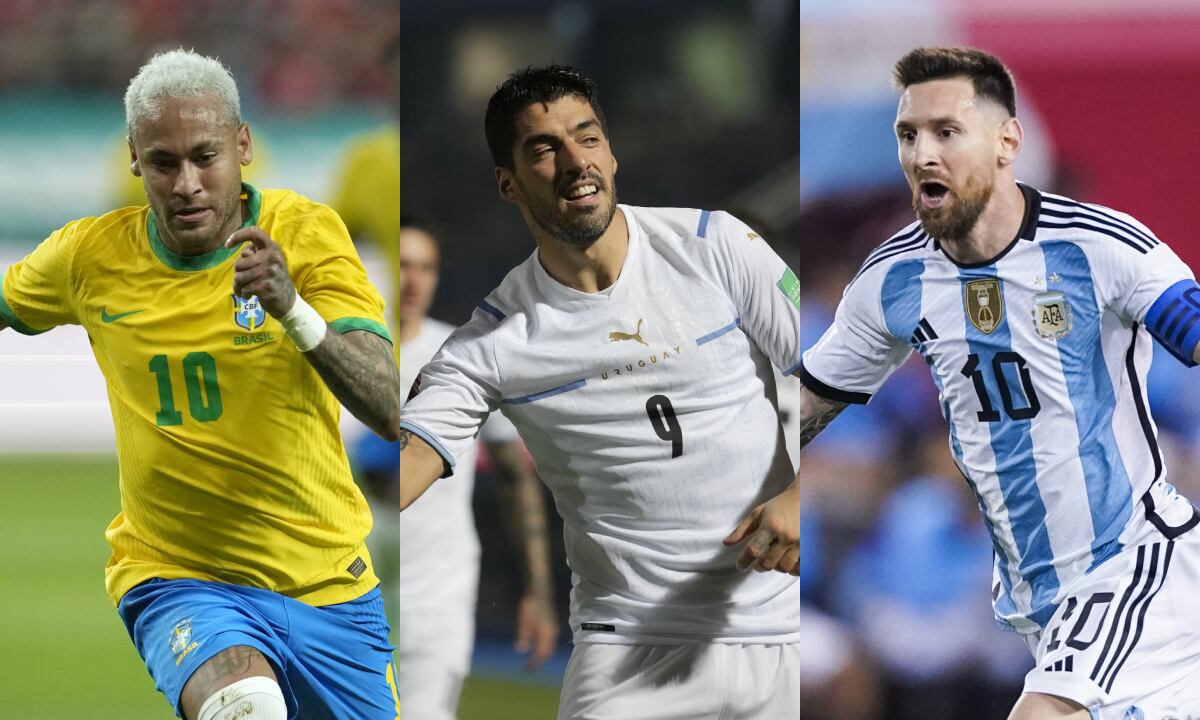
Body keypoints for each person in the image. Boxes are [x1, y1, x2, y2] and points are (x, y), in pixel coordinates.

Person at [797, 46, 1200, 719]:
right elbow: (804, 404)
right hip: (1033, 600)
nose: (923, 153)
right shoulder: (894, 281)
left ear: (1007, 140)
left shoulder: (1102, 247)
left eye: (946, 132)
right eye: (909, 134)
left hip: (1130, 564)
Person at [0, 49, 402, 719]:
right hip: (180, 579)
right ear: (134, 159)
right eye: (163, 162)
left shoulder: (303, 235)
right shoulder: (90, 256)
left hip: (328, 584)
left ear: (242, 145)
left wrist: (292, 310)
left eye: (204, 157)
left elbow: (390, 408)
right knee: (246, 707)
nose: (185, 182)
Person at [398, 64, 802, 719]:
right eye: (543, 149)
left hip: (780, 637)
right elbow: (411, 455)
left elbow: (830, 375)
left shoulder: (719, 246)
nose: (574, 161)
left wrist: (800, 492)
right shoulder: (493, 343)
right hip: (629, 657)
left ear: (610, 153)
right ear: (509, 183)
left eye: (586, 138)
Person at [391, 213, 560, 719]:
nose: (413, 280)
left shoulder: (464, 356)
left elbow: (514, 474)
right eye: (402, 264)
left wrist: (536, 591)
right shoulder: (338, 353)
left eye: (426, 267)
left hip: (439, 595)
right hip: (346, 590)